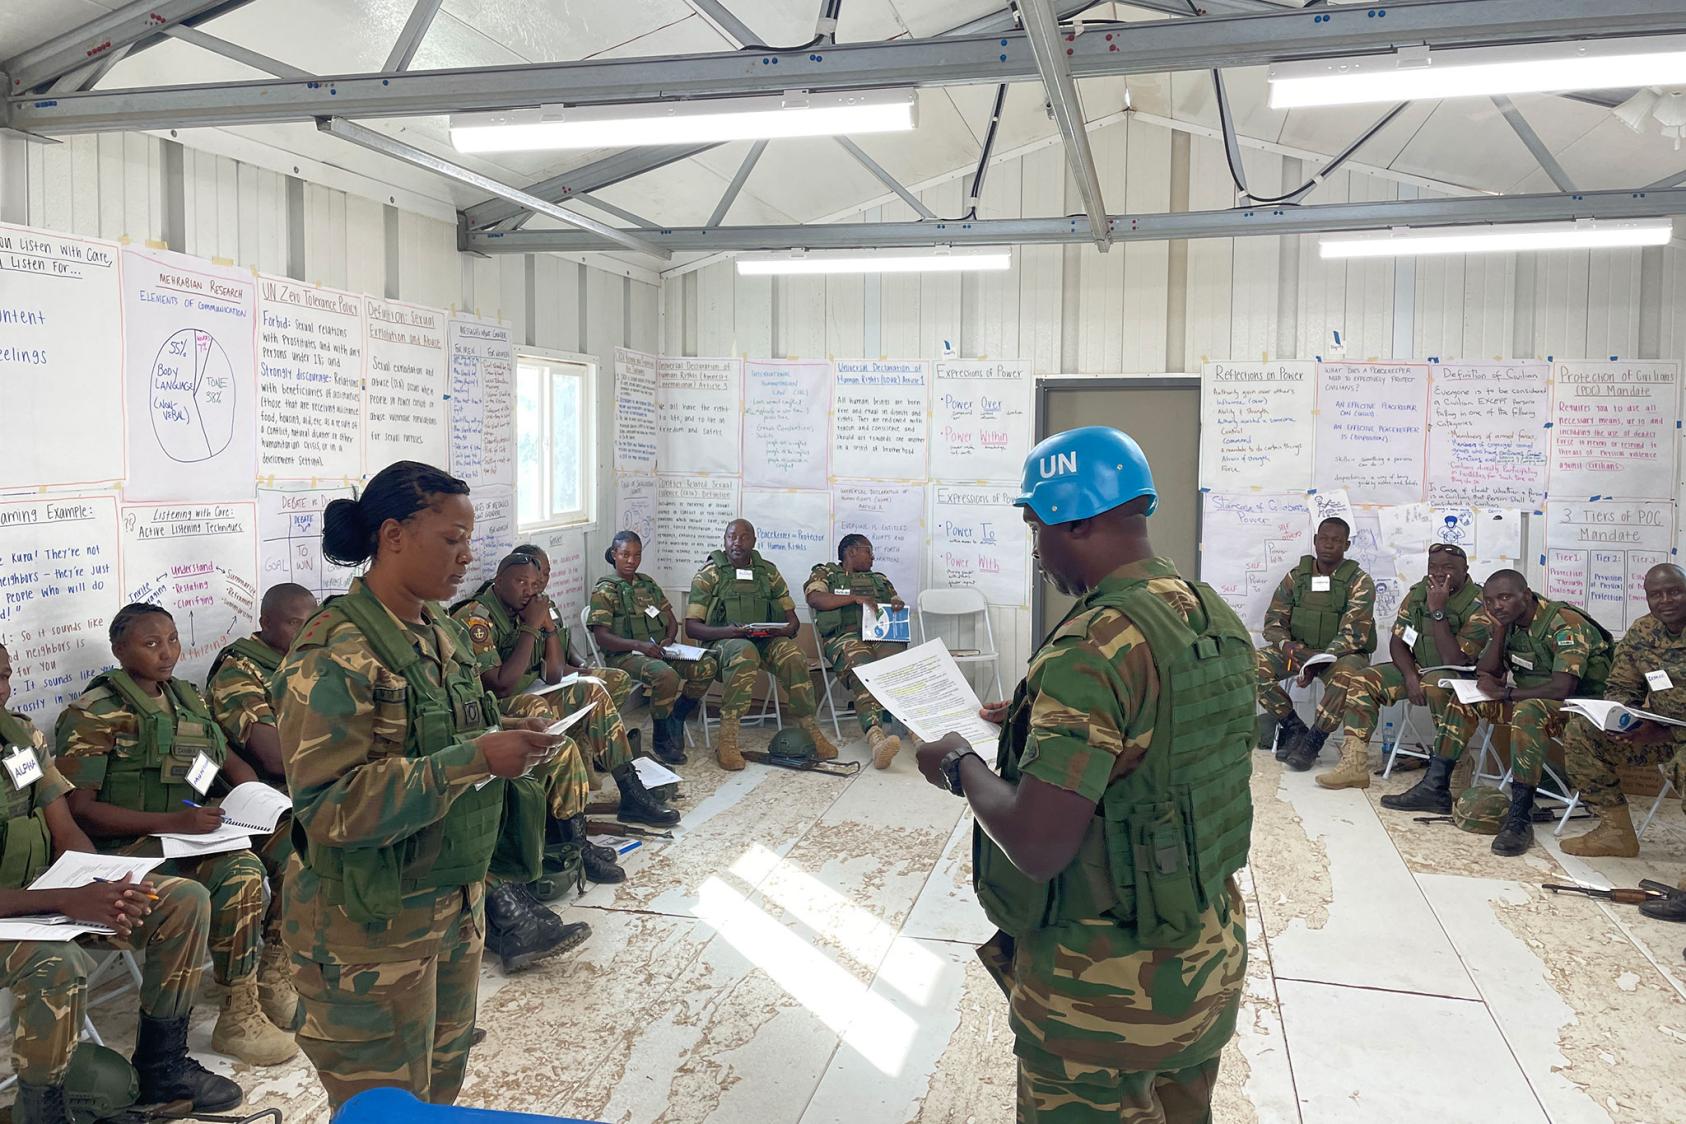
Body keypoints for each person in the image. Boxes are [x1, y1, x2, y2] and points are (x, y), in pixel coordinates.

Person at [915, 427, 1251, 1124]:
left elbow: (1038, 845)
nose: (1039, 553)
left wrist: (958, 762)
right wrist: (1033, 718)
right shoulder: (1207, 614)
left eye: (1038, 529)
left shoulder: (1092, 646)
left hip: (1105, 1004)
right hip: (1203, 965)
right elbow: (1160, 746)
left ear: (1078, 521)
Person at [274, 460, 564, 1110]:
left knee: (436, 1098)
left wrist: (513, 739)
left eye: (469, 539)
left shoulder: (443, 634)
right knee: (382, 1112)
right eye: (451, 539)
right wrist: (478, 761)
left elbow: (448, 736)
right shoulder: (336, 651)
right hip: (363, 932)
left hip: (449, 911)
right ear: (394, 536)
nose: (467, 556)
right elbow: (329, 808)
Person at [1, 641, 243, 1122]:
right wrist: (68, 899)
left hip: (47, 899)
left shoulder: (18, 737)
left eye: (4, 675)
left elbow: (65, 829)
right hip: (21, 914)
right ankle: (40, 1110)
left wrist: (104, 885)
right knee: (57, 962)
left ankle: (163, 1065)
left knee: (182, 900)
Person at [54, 604, 298, 1067]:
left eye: (172, 640)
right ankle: (230, 1010)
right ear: (120, 650)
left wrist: (252, 800)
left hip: (189, 835)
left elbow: (229, 762)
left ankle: (246, 998)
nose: (166, 653)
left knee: (269, 856)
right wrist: (171, 823)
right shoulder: (95, 713)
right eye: (150, 644)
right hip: (130, 846)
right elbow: (80, 812)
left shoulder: (187, 699)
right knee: (229, 876)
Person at [1381, 569, 1613, 857]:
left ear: (1526, 595)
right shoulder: (1510, 623)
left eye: (1504, 598)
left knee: (1528, 712)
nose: (1496, 606)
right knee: (1465, 697)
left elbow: (1563, 687)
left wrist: (1507, 693)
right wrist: (1501, 631)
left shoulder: (1563, 623)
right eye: (1489, 601)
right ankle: (1435, 786)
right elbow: (1487, 671)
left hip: (1581, 708)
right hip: (1534, 701)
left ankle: (1520, 816)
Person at [451, 552, 675, 830]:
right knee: (537, 711)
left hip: (531, 691)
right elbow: (500, 684)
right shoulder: (476, 618)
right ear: (498, 580)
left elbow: (555, 672)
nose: (529, 591)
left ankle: (631, 791)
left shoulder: (528, 608)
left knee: (593, 691)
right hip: (494, 705)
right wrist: (532, 627)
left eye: (534, 584)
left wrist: (548, 628)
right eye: (521, 582)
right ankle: (564, 826)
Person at [204, 581, 319, 1027]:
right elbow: (273, 754)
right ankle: (274, 967)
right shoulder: (240, 671)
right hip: (263, 801)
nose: (304, 629)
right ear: (265, 623)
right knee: (302, 850)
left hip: (308, 787)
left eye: (311, 619)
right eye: (294, 622)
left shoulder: (312, 659)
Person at [1558, 563, 1686, 919]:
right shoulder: (1644, 631)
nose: (1665, 600)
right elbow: (1621, 686)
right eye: (1655, 594)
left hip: (1673, 736)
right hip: (1658, 730)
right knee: (1581, 732)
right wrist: (1624, 719)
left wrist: (1666, 732)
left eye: (1674, 591)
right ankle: (1615, 830)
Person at [1313, 544, 1494, 788]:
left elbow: (1456, 660)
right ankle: (1354, 764)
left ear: (1465, 570)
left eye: (1448, 568)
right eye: (1434, 567)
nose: (1439, 573)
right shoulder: (1419, 594)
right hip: (1419, 670)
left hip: (1462, 676)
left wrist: (1438, 611)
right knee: (1363, 680)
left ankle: (1457, 763)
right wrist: (1409, 675)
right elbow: (1398, 642)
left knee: (1434, 683)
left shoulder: (1478, 604)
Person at [685, 520, 837, 771]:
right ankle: (728, 740)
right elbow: (692, 628)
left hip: (764, 639)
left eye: (744, 537)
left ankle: (809, 728)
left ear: (754, 542)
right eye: (731, 537)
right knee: (744, 653)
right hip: (722, 643)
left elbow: (792, 619)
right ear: (724, 541)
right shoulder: (709, 574)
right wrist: (729, 631)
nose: (737, 542)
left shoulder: (768, 572)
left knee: (793, 655)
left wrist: (788, 628)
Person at [588, 530, 718, 766]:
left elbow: (669, 619)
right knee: (666, 675)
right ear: (614, 554)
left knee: (707, 665)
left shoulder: (647, 584)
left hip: (659, 650)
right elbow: (602, 638)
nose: (631, 560)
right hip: (625, 656)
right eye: (625, 554)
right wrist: (639, 645)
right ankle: (662, 735)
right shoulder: (605, 590)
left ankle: (677, 714)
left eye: (637, 555)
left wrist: (669, 638)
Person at [1254, 517, 1377, 767]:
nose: (1328, 545)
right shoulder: (1297, 576)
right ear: (1315, 541)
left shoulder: (1359, 582)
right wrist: (1286, 645)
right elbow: (1274, 621)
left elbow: (1354, 634)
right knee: (1251, 665)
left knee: (1347, 677)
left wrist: (1319, 660)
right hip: (1298, 651)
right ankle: (1294, 727)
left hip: (1341, 656)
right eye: (1324, 539)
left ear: (1346, 545)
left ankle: (1314, 740)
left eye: (1336, 541)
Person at [803, 534, 909, 769]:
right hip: (845, 637)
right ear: (851, 552)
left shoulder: (879, 579)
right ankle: (876, 740)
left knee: (902, 667)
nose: (873, 557)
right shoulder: (825, 573)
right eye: (868, 551)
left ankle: (918, 735)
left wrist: (897, 603)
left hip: (879, 637)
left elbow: (894, 599)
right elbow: (815, 598)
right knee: (865, 670)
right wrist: (854, 599)